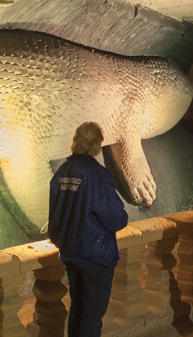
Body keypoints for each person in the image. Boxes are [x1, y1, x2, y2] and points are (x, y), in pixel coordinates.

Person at [48, 121, 129, 337]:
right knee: (93, 315)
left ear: (76, 142)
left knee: (78, 308)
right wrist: (123, 216)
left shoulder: (63, 172)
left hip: (70, 252)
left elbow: (56, 212)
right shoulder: (97, 174)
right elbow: (113, 218)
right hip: (94, 254)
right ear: (97, 145)